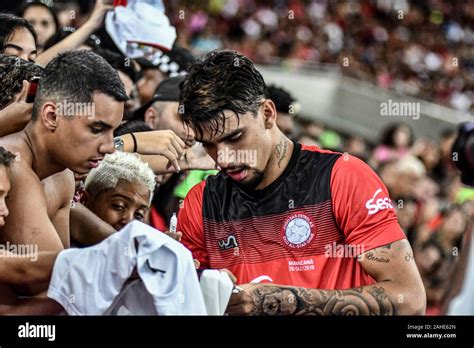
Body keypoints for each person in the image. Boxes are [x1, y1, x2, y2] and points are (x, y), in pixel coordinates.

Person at [177, 50, 426, 315]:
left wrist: (284, 300)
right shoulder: (200, 203)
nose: (224, 159)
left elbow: (410, 299)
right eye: (210, 145)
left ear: (268, 113)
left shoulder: (343, 177)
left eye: (236, 137)